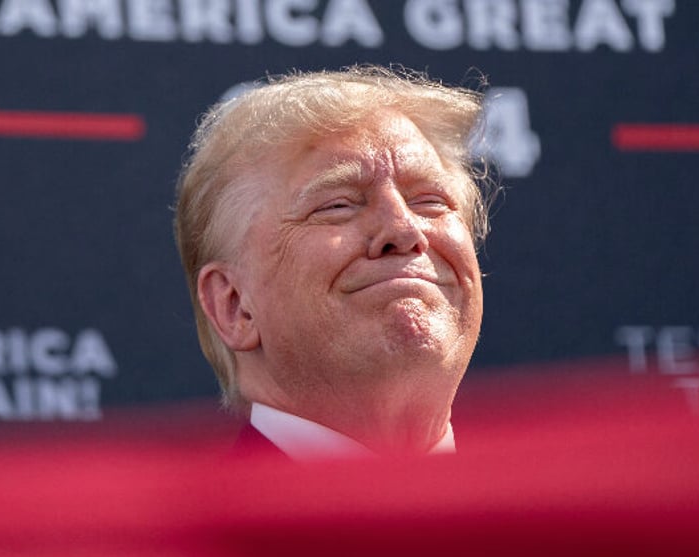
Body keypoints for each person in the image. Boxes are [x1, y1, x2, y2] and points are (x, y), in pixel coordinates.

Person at [174, 66, 492, 459]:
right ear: (235, 305)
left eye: (430, 201)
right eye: (337, 205)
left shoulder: (559, 516)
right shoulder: (201, 521)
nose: (405, 231)